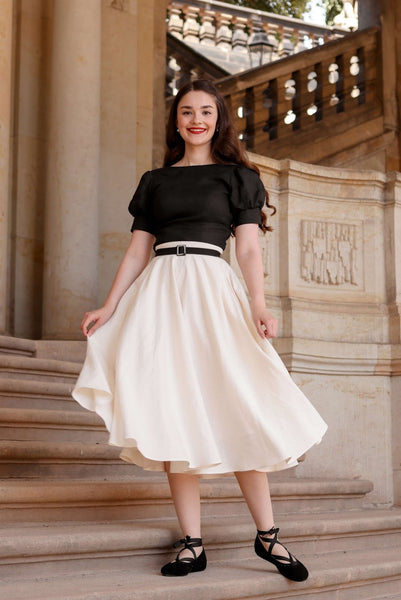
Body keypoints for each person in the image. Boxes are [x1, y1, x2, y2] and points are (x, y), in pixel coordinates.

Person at [72, 79, 327, 582]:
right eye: (186, 111)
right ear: (175, 120)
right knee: (172, 412)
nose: (196, 119)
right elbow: (137, 250)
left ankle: (268, 537)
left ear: (219, 119)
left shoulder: (238, 177)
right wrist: (109, 305)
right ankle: (192, 543)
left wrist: (258, 303)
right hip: (161, 295)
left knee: (240, 404)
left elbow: (249, 249)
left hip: (213, 290)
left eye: (205, 111)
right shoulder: (155, 181)